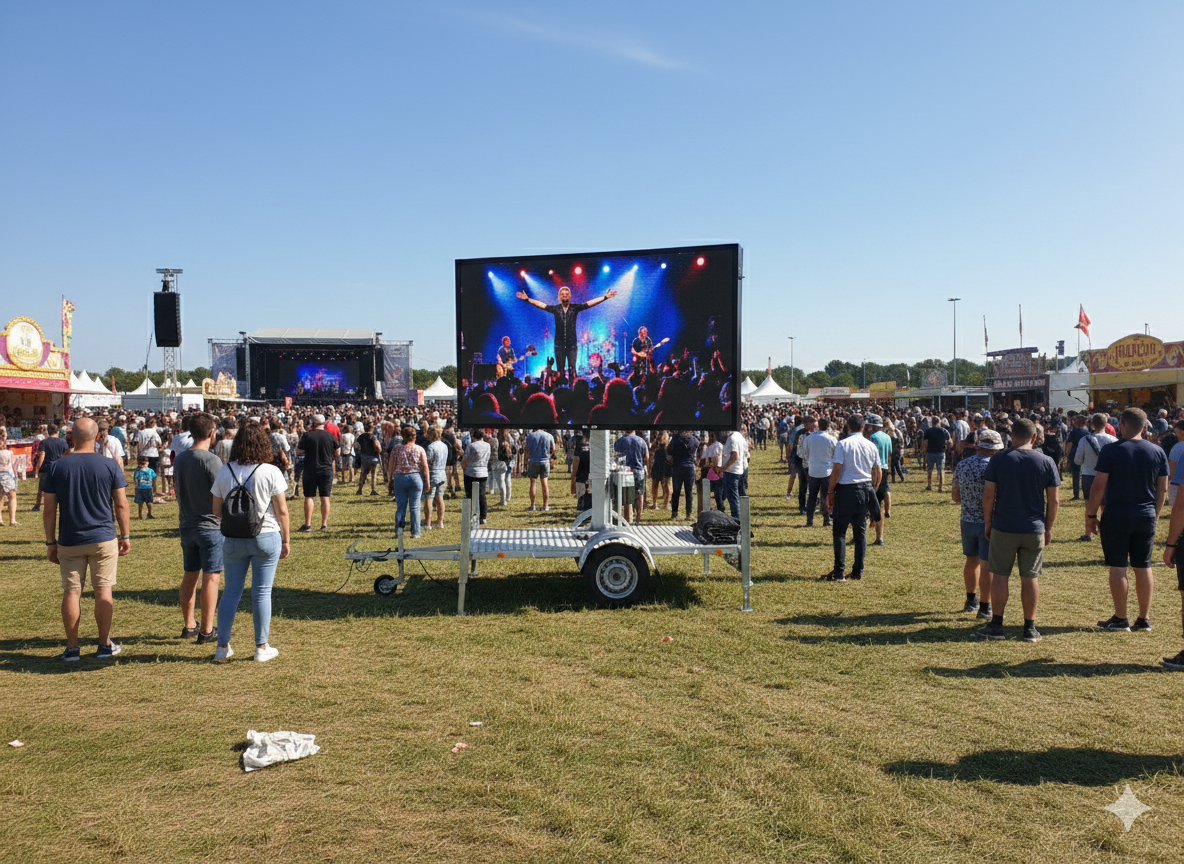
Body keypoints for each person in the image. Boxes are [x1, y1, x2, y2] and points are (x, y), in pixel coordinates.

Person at [40, 418, 130, 660]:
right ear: (98, 436)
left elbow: (49, 509)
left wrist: (50, 542)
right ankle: (104, 645)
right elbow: (121, 504)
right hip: (103, 536)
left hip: (70, 539)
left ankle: (72, 648)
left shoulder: (57, 466)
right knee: (103, 591)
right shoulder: (110, 465)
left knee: (72, 592)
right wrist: (126, 535)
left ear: (71, 437)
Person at [210, 422, 290, 662]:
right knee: (262, 593)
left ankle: (222, 646)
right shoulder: (271, 471)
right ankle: (261, 647)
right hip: (266, 535)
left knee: (231, 592)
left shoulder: (225, 470)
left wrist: (236, 521)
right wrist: (286, 539)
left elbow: (216, 509)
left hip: (234, 539)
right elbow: (282, 511)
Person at [977, 418, 1060, 643]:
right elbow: (1054, 501)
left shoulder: (999, 460)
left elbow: (988, 496)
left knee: (1001, 576)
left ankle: (997, 625)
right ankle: (1029, 628)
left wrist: (988, 523)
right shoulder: (1046, 461)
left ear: (1012, 436)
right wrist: (1048, 528)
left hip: (1004, 526)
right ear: (1034, 437)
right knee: (1030, 577)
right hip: (1034, 528)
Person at [1086, 408, 1168, 632]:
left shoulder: (1111, 451)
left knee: (1118, 566)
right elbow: (1163, 490)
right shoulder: (1157, 452)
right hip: (1146, 514)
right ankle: (1144, 618)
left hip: (1117, 515)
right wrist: (1156, 514)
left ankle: (1121, 618)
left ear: (1121, 424)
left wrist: (1091, 515)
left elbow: (1099, 486)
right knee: (1143, 566)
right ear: (1145, 426)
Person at [173, 412, 223, 644]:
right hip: (210, 526)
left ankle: (189, 624)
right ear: (212, 433)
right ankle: (206, 629)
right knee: (211, 578)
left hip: (187, 524)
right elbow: (221, 493)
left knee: (190, 576)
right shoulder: (211, 460)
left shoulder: (180, 459)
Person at [516, 284, 619, 381]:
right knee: (560, 369)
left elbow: (589, 304)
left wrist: (605, 297)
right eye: (562, 294)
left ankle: (573, 390)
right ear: (560, 297)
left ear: (569, 296)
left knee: (572, 369)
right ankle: (560, 391)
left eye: (566, 294)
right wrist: (528, 299)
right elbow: (542, 305)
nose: (564, 296)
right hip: (559, 344)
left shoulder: (575, 308)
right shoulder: (555, 309)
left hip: (572, 344)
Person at [952, 429, 1004, 619]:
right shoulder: (997, 467)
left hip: (967, 519)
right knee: (987, 565)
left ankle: (970, 600)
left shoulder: (963, 465)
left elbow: (955, 496)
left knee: (971, 561)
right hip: (989, 521)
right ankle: (985, 606)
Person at [823, 415, 881, 582]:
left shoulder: (843, 444)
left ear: (848, 426)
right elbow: (877, 471)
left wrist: (830, 492)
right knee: (860, 533)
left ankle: (839, 572)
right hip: (865, 488)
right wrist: (873, 489)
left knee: (840, 532)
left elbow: (836, 470)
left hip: (846, 489)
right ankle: (857, 571)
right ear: (864, 427)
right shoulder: (871, 445)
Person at [1074, 413, 1118, 541]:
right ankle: (1106, 531)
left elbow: (1077, 460)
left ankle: (1088, 532)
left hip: (1088, 475)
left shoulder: (1084, 440)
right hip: (1107, 476)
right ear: (1106, 424)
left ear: (1092, 424)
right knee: (1105, 506)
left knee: (1089, 505)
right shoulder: (1113, 440)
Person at [296, 414, 339, 532]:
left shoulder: (307, 436)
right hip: (326, 469)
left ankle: (307, 524)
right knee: (325, 497)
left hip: (310, 468)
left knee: (309, 496)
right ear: (324, 423)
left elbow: (299, 452)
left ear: (312, 423)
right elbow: (337, 452)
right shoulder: (330, 436)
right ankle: (324, 524)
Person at [388, 425, 430, 537]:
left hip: (400, 477)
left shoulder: (396, 449)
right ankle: (416, 532)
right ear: (414, 437)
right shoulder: (419, 449)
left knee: (401, 506)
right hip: (415, 476)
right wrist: (427, 482)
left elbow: (391, 466)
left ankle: (399, 530)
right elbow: (425, 467)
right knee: (415, 506)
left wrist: (389, 480)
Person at [800, 416, 833, 528]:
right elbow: (836, 455)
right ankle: (826, 519)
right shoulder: (831, 439)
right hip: (827, 471)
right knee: (825, 496)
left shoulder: (809, 438)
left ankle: (810, 520)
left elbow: (805, 454)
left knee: (812, 496)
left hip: (813, 470)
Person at [866, 414, 892, 545]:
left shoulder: (872, 437)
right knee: (880, 503)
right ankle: (879, 537)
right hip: (885, 468)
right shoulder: (887, 437)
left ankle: (860, 534)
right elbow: (889, 454)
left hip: (874, 470)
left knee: (868, 502)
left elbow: (870, 455)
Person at [615, 429, 649, 523]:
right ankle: (638, 517)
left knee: (627, 496)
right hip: (639, 471)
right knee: (640, 495)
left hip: (625, 471)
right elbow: (647, 457)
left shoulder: (620, 441)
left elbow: (615, 455)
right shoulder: (641, 441)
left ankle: (627, 518)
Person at [32, 423, 68, 511]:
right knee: (61, 487)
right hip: (59, 467)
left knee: (41, 488)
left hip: (47, 467)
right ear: (57, 431)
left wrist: (37, 468)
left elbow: (42, 455)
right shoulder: (63, 442)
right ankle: (63, 505)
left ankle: (37, 505)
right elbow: (66, 454)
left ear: (48, 431)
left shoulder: (44, 442)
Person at [461, 428, 491, 526]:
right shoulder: (488, 446)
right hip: (483, 471)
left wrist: (464, 469)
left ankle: (471, 514)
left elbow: (465, 459)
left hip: (471, 471)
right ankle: (483, 516)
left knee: (469, 495)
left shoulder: (471, 446)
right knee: (482, 495)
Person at [667, 430, 699, 520]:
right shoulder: (695, 440)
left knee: (676, 492)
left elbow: (669, 455)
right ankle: (688, 514)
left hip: (678, 467)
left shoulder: (675, 440)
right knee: (689, 492)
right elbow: (695, 455)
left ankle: (674, 514)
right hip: (690, 467)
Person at [423, 425, 449, 529]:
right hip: (442, 473)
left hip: (433, 474)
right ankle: (440, 522)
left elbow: (428, 461)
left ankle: (428, 524)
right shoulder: (444, 445)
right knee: (440, 498)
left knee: (428, 499)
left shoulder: (431, 447)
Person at [719, 427, 749, 519]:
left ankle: (737, 520)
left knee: (733, 498)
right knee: (736, 496)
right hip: (739, 469)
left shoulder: (732, 439)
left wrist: (723, 468)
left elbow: (734, 456)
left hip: (732, 471)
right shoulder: (740, 436)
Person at [526, 427, 556, 511]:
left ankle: (532, 506)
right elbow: (553, 449)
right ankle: (545, 506)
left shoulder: (530, 436)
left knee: (533, 482)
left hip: (533, 460)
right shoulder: (549, 436)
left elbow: (527, 449)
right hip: (545, 461)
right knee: (544, 483)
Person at [135, 417, 162, 491]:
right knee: (153, 473)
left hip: (143, 454)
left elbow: (137, 443)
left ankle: (142, 487)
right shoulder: (154, 433)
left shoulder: (140, 432)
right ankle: (153, 489)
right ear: (153, 424)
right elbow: (159, 443)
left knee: (142, 472)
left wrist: (139, 453)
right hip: (153, 454)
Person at [355, 421, 382, 495]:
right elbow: (377, 446)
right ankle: (373, 490)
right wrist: (379, 451)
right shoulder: (373, 437)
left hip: (364, 456)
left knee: (363, 473)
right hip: (373, 457)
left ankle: (360, 489)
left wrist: (362, 450)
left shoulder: (361, 436)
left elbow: (357, 445)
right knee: (373, 474)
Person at [923, 420, 951, 491]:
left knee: (929, 469)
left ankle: (929, 485)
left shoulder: (928, 431)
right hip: (941, 452)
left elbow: (925, 442)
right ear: (939, 422)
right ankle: (940, 486)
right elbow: (949, 442)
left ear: (932, 423)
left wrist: (924, 451)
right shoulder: (944, 431)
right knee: (941, 469)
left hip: (930, 452)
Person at [649, 431, 671, 512]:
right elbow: (651, 455)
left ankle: (666, 505)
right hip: (657, 466)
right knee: (656, 485)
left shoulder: (668, 445)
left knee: (666, 487)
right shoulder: (656, 443)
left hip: (665, 467)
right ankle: (655, 504)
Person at [0, 430, 18, 526]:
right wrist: (15, 477)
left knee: (1, 497)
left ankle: (0, 519)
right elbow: (13, 466)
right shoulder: (8, 453)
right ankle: (12, 520)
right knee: (12, 496)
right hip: (6, 475)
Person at [570, 431, 591, 509]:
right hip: (592, 475)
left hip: (581, 475)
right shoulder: (594, 447)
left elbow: (575, 463)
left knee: (581, 497)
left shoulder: (579, 449)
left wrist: (573, 478)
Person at [132, 455, 156, 519]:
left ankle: (148, 514)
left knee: (147, 503)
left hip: (146, 488)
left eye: (145, 461)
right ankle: (141, 515)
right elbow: (135, 479)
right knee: (142, 503)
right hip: (142, 488)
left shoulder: (149, 470)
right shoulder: (139, 470)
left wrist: (154, 487)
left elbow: (154, 479)